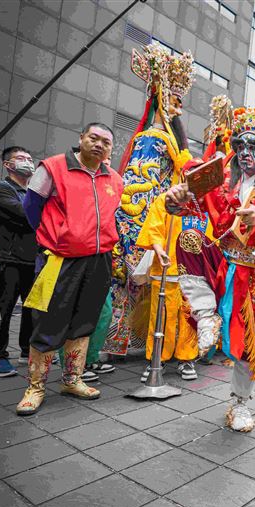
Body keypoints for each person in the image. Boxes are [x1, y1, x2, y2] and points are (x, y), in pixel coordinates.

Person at [165, 103, 255, 432]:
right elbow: (193, 207)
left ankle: (239, 404)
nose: (243, 152)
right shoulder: (225, 182)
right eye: (238, 145)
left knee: (246, 344)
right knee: (188, 238)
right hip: (223, 263)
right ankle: (205, 316)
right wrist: (174, 201)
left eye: (252, 146)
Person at [17, 123, 123, 415]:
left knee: (84, 321)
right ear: (81, 139)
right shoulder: (52, 168)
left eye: (106, 142)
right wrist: (55, 237)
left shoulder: (114, 177)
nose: (99, 145)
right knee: (49, 322)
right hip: (61, 258)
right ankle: (35, 387)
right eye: (94, 138)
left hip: (99, 259)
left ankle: (72, 379)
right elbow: (31, 207)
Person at [104, 42, 195, 359]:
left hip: (158, 221)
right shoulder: (153, 139)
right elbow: (137, 183)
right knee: (130, 284)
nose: (177, 108)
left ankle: (140, 342)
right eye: (173, 101)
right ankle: (118, 342)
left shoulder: (165, 140)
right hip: (141, 220)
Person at [134, 193, 205, 381]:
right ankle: (157, 358)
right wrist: (158, 249)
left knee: (190, 316)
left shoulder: (206, 201)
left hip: (195, 269)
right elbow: (154, 226)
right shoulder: (167, 198)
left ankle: (187, 358)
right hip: (167, 266)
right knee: (160, 316)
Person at [0, 147, 37, 377]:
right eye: (21, 159)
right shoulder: (1, 189)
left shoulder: (34, 193)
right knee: (3, 309)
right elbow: (25, 216)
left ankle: (27, 350)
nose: (27, 162)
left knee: (32, 309)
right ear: (7, 164)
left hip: (33, 259)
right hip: (8, 259)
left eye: (29, 159)